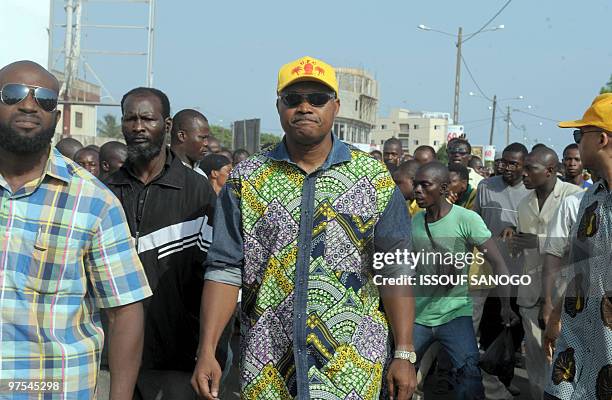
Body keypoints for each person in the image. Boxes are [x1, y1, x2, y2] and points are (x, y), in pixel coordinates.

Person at [192, 56, 417, 400]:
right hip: (267, 365)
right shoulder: (247, 179)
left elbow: (395, 271)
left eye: (318, 98)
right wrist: (208, 349)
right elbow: (224, 269)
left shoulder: (372, 180)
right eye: (293, 99)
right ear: (279, 106)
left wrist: (403, 352)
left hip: (351, 367)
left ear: (336, 106)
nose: (305, 107)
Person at [0, 60, 151, 398]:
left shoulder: (94, 202)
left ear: (57, 115)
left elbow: (124, 310)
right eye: (12, 95)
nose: (29, 105)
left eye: (45, 100)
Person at [105, 87, 216, 399]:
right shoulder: (103, 192)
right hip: (109, 360)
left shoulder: (197, 192)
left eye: (147, 119)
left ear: (166, 126)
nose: (138, 127)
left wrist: (208, 350)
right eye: (130, 119)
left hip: (175, 361)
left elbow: (213, 277)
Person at [411, 162, 518, 400]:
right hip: (418, 316)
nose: (417, 190)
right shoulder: (415, 222)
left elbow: (498, 263)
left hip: (455, 315)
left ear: (443, 188)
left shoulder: (466, 219)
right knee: (400, 373)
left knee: (469, 379)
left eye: (425, 184)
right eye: (415, 184)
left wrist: (505, 305)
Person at [544, 93, 612, 400]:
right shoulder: (591, 196)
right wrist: (556, 314)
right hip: (573, 353)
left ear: (601, 139)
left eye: (579, 135)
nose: (575, 144)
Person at [502, 146, 582, 400]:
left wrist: (535, 241)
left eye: (530, 169)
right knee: (535, 361)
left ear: (549, 171)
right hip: (529, 293)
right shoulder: (524, 203)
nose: (523, 174)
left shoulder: (575, 197)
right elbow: (526, 249)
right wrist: (514, 242)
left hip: (562, 294)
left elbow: (580, 246)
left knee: (562, 360)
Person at [471, 142, 532, 396]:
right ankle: (486, 380)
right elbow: (475, 222)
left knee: (512, 328)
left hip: (518, 272)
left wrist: (518, 234)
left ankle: (504, 379)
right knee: (487, 325)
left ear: (524, 166)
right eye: (503, 162)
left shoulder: (531, 192)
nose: (506, 167)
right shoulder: (486, 186)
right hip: (485, 268)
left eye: (513, 163)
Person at [170, 108, 210, 177]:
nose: (206, 143)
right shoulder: (164, 171)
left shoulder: (201, 174)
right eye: (202, 138)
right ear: (182, 136)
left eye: (207, 138)